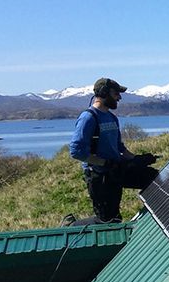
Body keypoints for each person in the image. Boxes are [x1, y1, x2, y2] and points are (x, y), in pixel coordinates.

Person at [67, 77, 159, 223]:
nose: (119, 97)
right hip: (99, 177)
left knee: (154, 178)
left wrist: (137, 159)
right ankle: (72, 225)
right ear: (104, 93)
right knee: (109, 221)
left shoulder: (111, 118)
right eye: (116, 94)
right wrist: (103, 163)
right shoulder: (88, 118)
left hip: (116, 170)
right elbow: (76, 151)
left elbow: (119, 147)